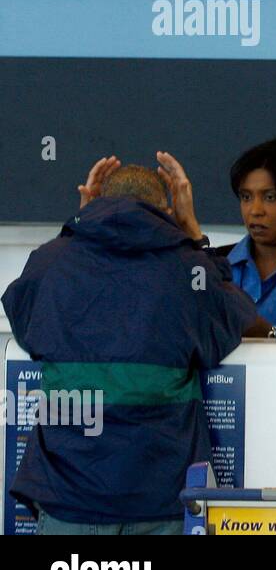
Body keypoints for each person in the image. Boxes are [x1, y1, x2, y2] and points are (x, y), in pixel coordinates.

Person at [1, 156, 258, 534]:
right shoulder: (189, 267)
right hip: (160, 496)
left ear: (96, 199)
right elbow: (230, 317)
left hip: (69, 497)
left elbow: (26, 321)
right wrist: (194, 233)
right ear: (168, 209)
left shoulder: (52, 261)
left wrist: (80, 228)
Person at [216, 138, 276, 336]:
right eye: (246, 197)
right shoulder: (216, 265)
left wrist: (268, 334)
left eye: (270, 197)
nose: (255, 210)